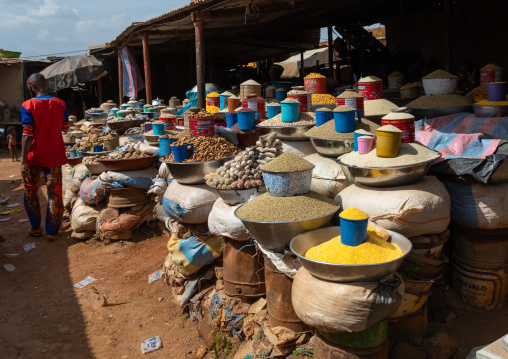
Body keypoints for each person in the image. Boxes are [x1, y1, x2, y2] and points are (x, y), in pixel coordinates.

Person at [21, 73, 70, 241]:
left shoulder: (27, 105)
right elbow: (66, 127)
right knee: (54, 193)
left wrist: (22, 161)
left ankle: (35, 228)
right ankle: (52, 231)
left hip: (33, 156)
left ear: (32, 86)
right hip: (54, 156)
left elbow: (27, 135)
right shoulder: (61, 103)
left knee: (30, 190)